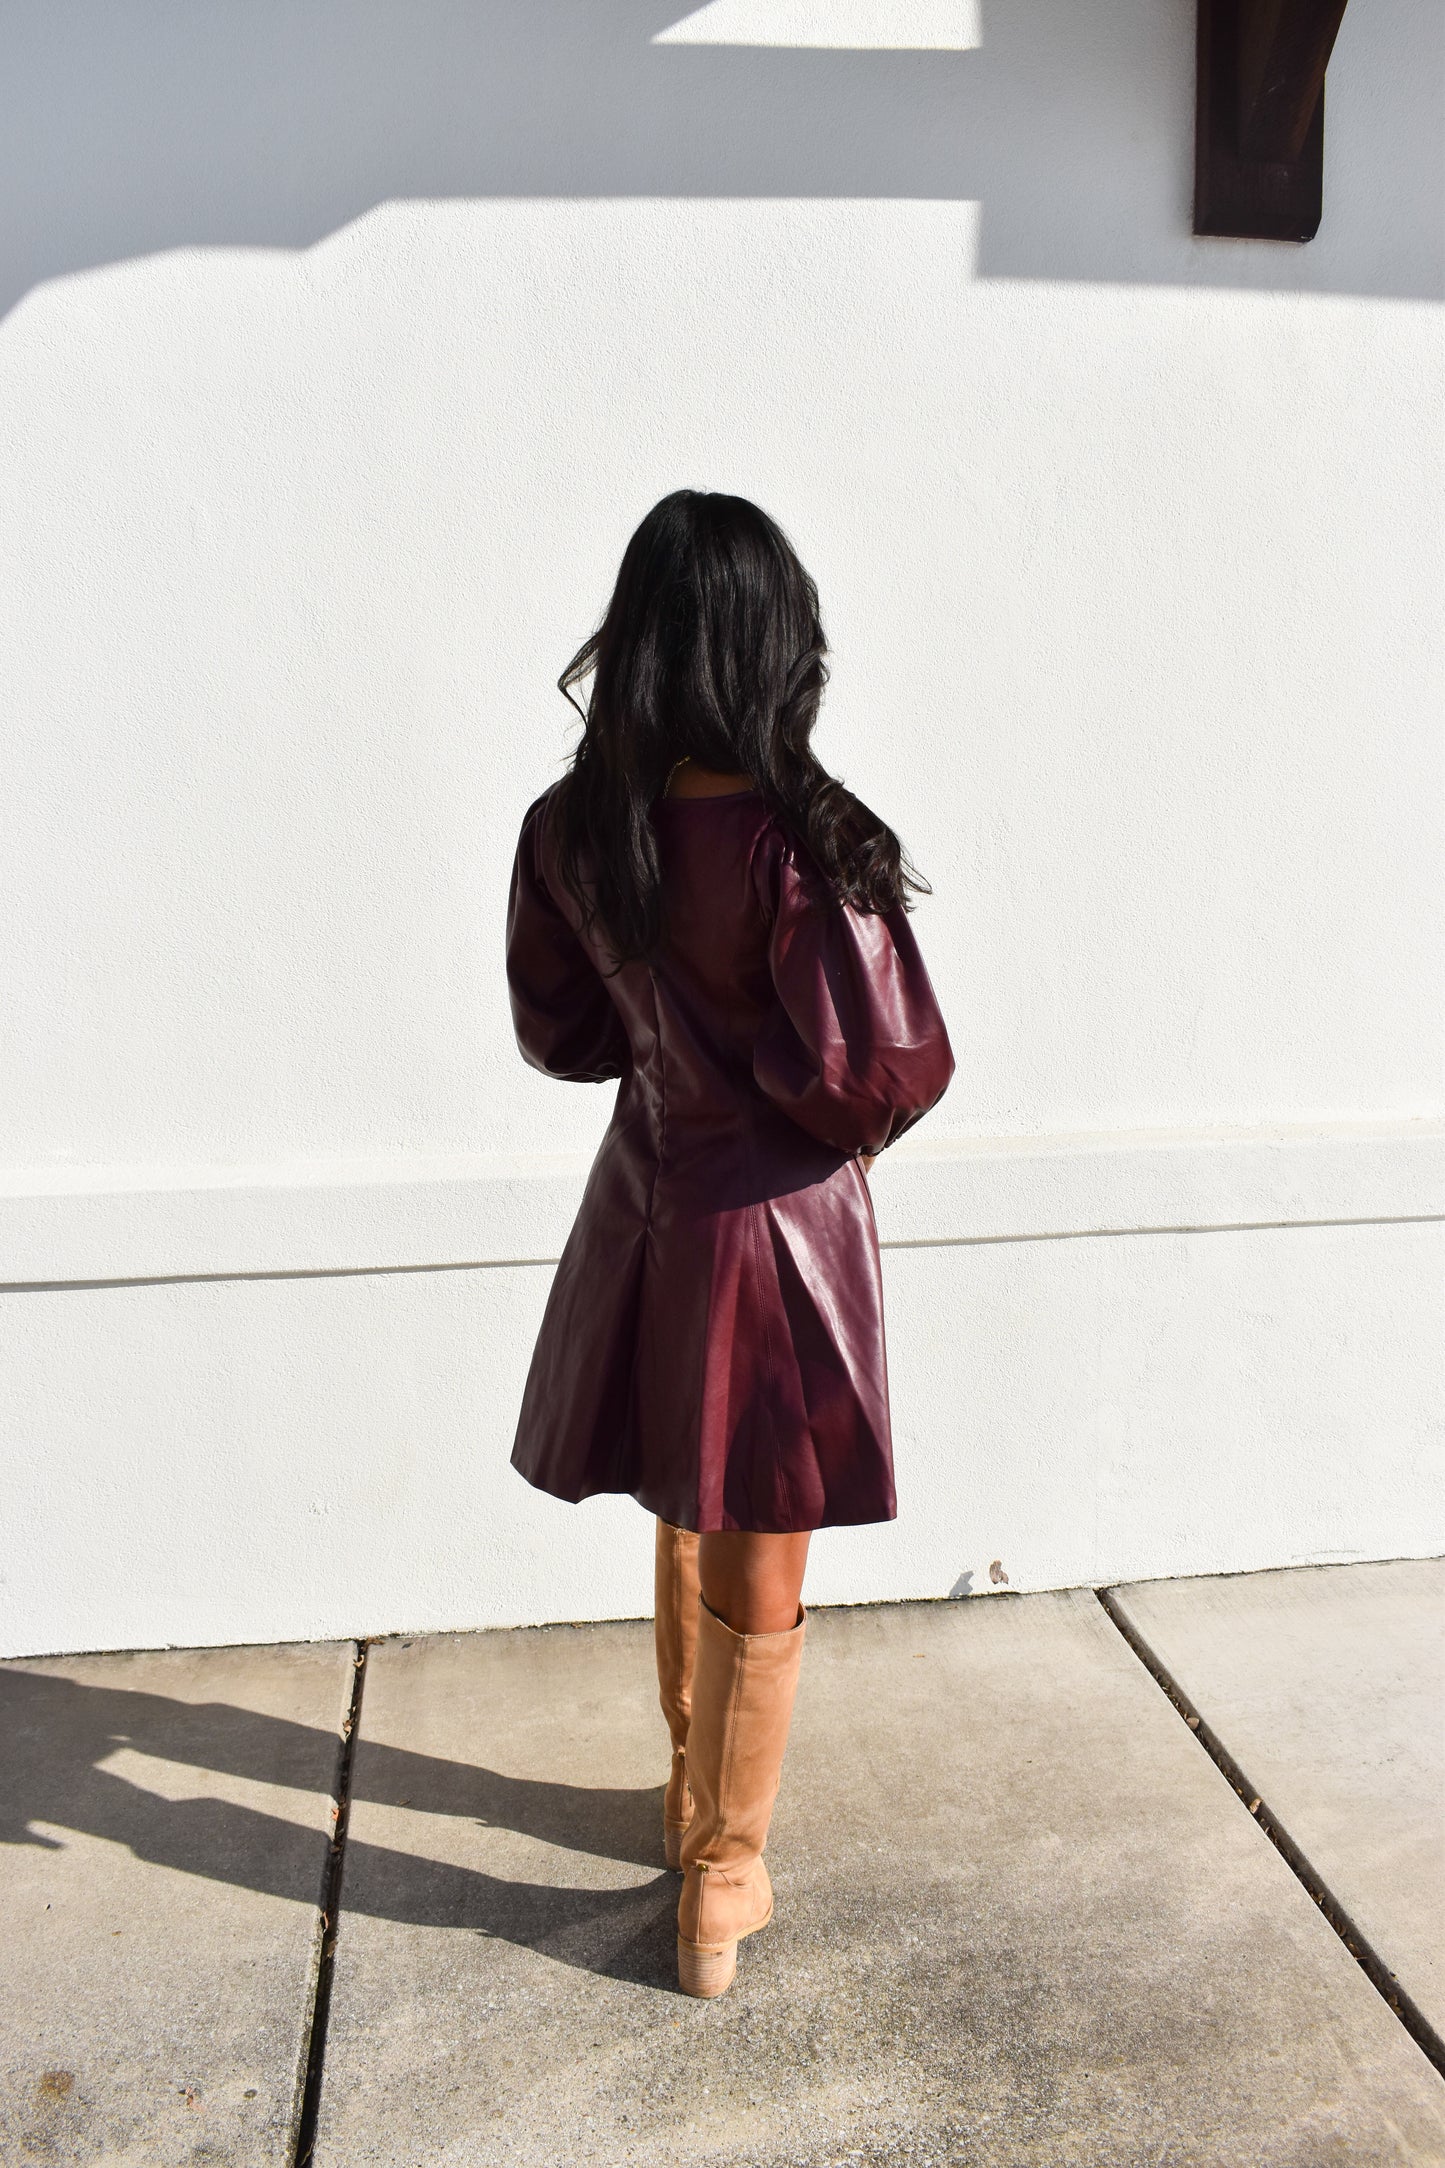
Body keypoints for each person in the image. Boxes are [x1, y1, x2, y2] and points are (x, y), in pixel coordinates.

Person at [504, 489, 955, 1998]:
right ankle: (719, 1880)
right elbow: (878, 1070)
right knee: (757, 1529)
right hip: (776, 1227)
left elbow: (562, 1035)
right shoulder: (803, 839)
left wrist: (673, 1051)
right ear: (774, 642)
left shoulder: (574, 828)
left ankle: (689, 1804)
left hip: (643, 1197)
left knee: (688, 1493)